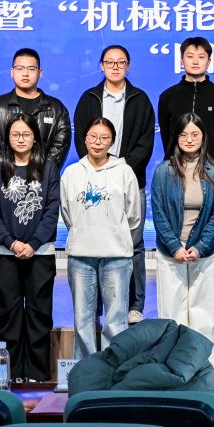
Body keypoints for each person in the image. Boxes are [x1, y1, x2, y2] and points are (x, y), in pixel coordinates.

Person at [0, 47, 71, 327]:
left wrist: (39, 171)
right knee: (6, 288)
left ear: (40, 72)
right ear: (11, 72)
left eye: (31, 68)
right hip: (7, 186)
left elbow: (60, 143)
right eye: (20, 68)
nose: (26, 73)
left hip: (41, 185)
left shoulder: (55, 108)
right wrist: (9, 169)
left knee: (39, 296)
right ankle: (4, 320)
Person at [73, 44, 156, 326]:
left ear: (128, 66)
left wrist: (120, 171)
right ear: (101, 65)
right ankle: (97, 305)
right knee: (96, 241)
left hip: (130, 180)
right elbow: (81, 138)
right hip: (94, 182)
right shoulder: (89, 98)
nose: (115, 67)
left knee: (133, 243)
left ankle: (134, 303)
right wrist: (98, 170)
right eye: (110, 62)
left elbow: (146, 142)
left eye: (121, 62)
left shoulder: (140, 99)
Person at [156, 37, 214, 318]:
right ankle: (176, 315)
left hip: (211, 179)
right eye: (190, 56)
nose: (195, 61)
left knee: (212, 245)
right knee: (173, 244)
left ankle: (211, 310)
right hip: (176, 176)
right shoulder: (168, 96)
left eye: (201, 56)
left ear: (209, 61)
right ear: (181, 60)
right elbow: (168, 137)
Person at [0, 113, 60, 382]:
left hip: (40, 254)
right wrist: (11, 242)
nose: (20, 139)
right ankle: (12, 374)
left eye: (26, 134)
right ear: (7, 138)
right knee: (9, 315)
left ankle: (38, 373)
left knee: (39, 314)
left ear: (35, 138)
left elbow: (52, 209)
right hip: (6, 255)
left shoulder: (48, 168)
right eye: (15, 134)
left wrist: (34, 243)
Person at [61, 118, 143, 359]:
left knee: (116, 319)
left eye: (104, 137)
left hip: (116, 256)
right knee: (82, 318)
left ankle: (113, 367)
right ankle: (86, 369)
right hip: (80, 256)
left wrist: (115, 234)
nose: (98, 142)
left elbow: (133, 216)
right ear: (85, 139)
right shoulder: (72, 173)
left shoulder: (124, 172)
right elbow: (67, 213)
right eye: (93, 136)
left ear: (112, 142)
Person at [151, 112, 214, 364]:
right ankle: (172, 370)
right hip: (170, 253)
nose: (189, 139)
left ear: (203, 137)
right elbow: (158, 212)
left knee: (203, 316)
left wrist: (200, 247)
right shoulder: (163, 172)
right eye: (184, 134)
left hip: (203, 253)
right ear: (176, 137)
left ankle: (201, 370)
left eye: (195, 134)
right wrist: (174, 246)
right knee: (172, 315)